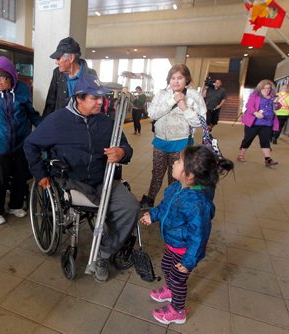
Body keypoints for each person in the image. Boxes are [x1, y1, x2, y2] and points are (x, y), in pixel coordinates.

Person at [24, 74, 140, 283]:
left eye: (101, 98)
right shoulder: (57, 121)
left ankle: (104, 254)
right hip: (71, 180)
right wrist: (40, 174)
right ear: (79, 98)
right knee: (93, 206)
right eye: (94, 98)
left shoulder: (106, 123)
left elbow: (127, 148)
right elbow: (30, 145)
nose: (100, 102)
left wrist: (122, 153)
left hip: (102, 180)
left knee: (130, 206)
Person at [141, 145, 234, 325]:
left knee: (177, 278)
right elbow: (165, 207)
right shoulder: (176, 187)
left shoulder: (197, 204)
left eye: (178, 161)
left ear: (190, 175)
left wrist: (188, 261)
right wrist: (153, 214)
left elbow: (199, 237)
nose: (174, 163)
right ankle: (169, 289)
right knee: (166, 265)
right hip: (173, 244)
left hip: (184, 251)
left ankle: (177, 310)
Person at [0, 56, 42, 225]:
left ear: (12, 77)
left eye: (3, 78)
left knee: (20, 176)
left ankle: (15, 205)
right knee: (1, 178)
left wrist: (44, 129)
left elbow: (31, 113)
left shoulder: (22, 88)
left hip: (21, 140)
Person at [139, 64, 206, 209]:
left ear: (186, 79)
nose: (176, 81)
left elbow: (199, 122)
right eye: (173, 78)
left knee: (176, 176)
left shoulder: (194, 96)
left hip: (181, 142)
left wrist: (184, 106)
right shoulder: (162, 94)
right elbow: (152, 114)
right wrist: (172, 101)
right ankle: (150, 199)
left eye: (180, 78)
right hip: (160, 142)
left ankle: (172, 202)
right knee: (157, 173)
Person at [42, 37, 97, 118]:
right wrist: (45, 125)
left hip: (81, 125)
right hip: (61, 123)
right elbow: (50, 103)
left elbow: (95, 104)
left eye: (58, 58)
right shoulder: (57, 73)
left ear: (71, 58)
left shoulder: (91, 74)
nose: (56, 62)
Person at [237, 79, 280, 167]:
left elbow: (278, 106)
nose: (267, 90)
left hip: (267, 123)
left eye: (268, 88)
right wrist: (255, 113)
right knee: (248, 139)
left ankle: (268, 159)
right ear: (260, 88)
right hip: (254, 123)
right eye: (264, 88)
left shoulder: (273, 97)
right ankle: (241, 155)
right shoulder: (255, 95)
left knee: (265, 141)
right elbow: (248, 106)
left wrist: (277, 105)